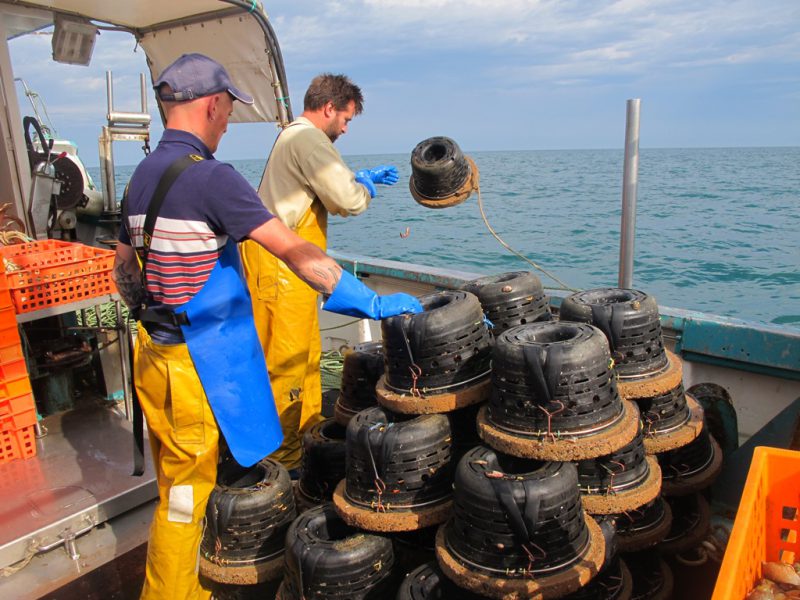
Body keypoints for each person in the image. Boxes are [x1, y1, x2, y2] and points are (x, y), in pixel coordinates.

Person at [112, 53, 421, 600]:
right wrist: (368, 303)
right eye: (228, 110)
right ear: (211, 104)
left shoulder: (143, 176)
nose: (228, 122)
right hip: (192, 366)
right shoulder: (212, 178)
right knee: (185, 501)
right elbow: (298, 254)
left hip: (153, 356)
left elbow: (124, 268)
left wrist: (159, 319)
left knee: (180, 482)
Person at [240, 73, 399, 469]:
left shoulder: (294, 137)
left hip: (285, 262)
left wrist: (356, 176)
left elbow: (320, 184)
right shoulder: (309, 139)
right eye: (345, 119)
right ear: (329, 108)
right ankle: (281, 461)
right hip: (279, 262)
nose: (344, 129)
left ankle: (306, 438)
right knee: (286, 361)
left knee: (306, 356)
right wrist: (363, 190)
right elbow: (347, 200)